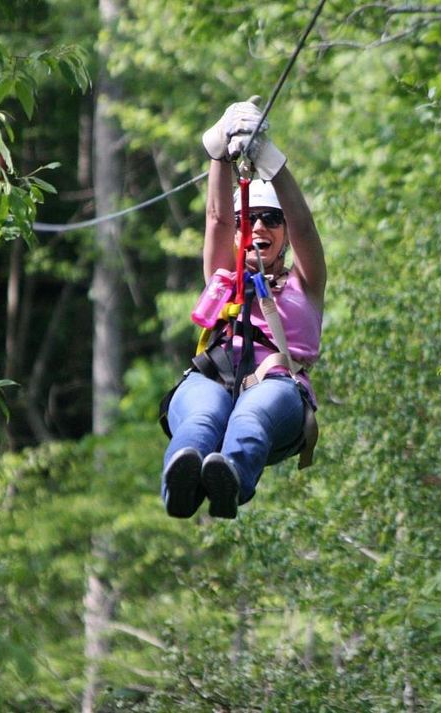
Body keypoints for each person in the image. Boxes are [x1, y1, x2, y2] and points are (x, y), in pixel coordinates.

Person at [161, 99, 326, 519]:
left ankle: (229, 479)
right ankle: (181, 484)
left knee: (252, 415)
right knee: (201, 417)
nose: (258, 228)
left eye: (271, 219)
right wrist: (217, 153)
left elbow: (305, 224)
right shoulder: (223, 275)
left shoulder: (304, 284)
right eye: (248, 220)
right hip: (212, 379)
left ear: (284, 233)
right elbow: (216, 218)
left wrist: (272, 163)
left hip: (276, 389)